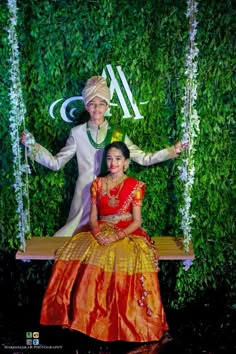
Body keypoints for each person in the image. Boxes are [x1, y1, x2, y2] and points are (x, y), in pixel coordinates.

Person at [21, 76, 186, 237]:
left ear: (107, 106)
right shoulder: (77, 133)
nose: (96, 109)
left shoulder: (117, 134)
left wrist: (173, 151)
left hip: (111, 197)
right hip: (85, 196)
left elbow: (144, 158)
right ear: (86, 106)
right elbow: (56, 163)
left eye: (101, 104)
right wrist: (32, 146)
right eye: (92, 104)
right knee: (70, 240)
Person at [40, 141, 169, 343]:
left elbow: (137, 221)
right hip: (99, 230)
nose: (113, 163)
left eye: (118, 159)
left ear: (126, 162)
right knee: (85, 260)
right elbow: (93, 217)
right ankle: (88, 320)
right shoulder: (97, 184)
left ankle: (125, 324)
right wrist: (98, 233)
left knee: (125, 261)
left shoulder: (135, 186)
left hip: (127, 233)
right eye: (109, 158)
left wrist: (117, 236)